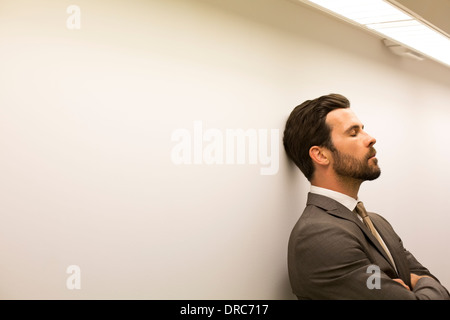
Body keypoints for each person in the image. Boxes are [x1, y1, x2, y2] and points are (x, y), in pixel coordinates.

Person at [283, 93, 450, 300]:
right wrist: (417, 283)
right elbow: (432, 289)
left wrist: (419, 281)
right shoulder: (320, 235)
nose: (370, 138)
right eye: (353, 133)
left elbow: (430, 280)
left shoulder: (377, 222)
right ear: (321, 155)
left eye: (362, 129)